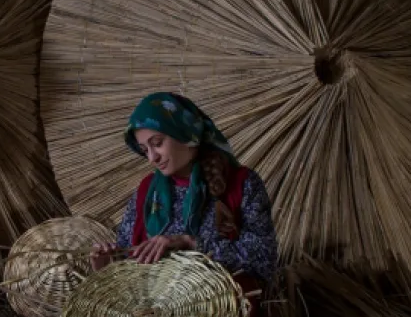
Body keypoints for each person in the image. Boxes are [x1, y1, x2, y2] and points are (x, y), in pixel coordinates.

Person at [90, 92, 278, 295]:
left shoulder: (241, 183)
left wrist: (191, 243)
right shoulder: (147, 191)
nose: (152, 157)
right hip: (153, 314)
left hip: (221, 310)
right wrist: (106, 264)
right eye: (145, 150)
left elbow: (264, 258)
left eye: (158, 143)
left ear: (186, 134)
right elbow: (129, 262)